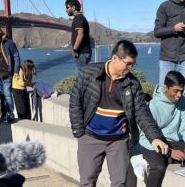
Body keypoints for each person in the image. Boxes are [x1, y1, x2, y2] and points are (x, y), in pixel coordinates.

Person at [69, 40, 169, 186]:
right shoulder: (88, 73)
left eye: (133, 64)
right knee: (87, 181)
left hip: (118, 141)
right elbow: (75, 101)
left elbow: (142, 113)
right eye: (128, 64)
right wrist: (79, 131)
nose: (130, 68)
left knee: (119, 183)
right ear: (115, 58)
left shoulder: (133, 84)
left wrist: (154, 137)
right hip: (90, 137)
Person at [137, 71, 185, 186]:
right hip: (152, 143)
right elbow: (144, 136)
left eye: (182, 91)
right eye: (176, 91)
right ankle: (142, 159)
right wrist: (170, 152)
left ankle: (160, 158)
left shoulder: (182, 102)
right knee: (159, 167)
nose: (179, 95)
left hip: (171, 141)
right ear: (166, 88)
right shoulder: (153, 105)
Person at [65, 0, 92, 70]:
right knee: (84, 76)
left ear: (73, 7)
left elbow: (81, 34)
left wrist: (74, 49)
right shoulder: (80, 17)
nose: (66, 10)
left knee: (82, 77)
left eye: (67, 7)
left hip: (81, 54)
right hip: (83, 53)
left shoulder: (78, 18)